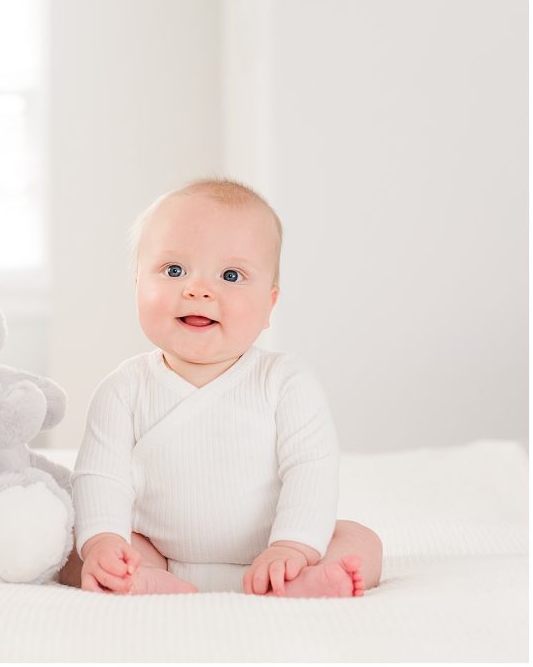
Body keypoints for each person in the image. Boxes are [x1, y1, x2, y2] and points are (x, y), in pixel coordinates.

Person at [58, 178, 383, 596]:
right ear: (138, 285)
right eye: (173, 270)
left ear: (270, 304)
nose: (198, 289)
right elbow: (101, 476)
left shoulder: (286, 382)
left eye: (231, 275)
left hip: (273, 550)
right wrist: (105, 542)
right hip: (156, 550)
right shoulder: (123, 389)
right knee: (71, 545)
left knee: (360, 541)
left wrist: (293, 545)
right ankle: (141, 578)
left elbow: (311, 470)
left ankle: (294, 581)